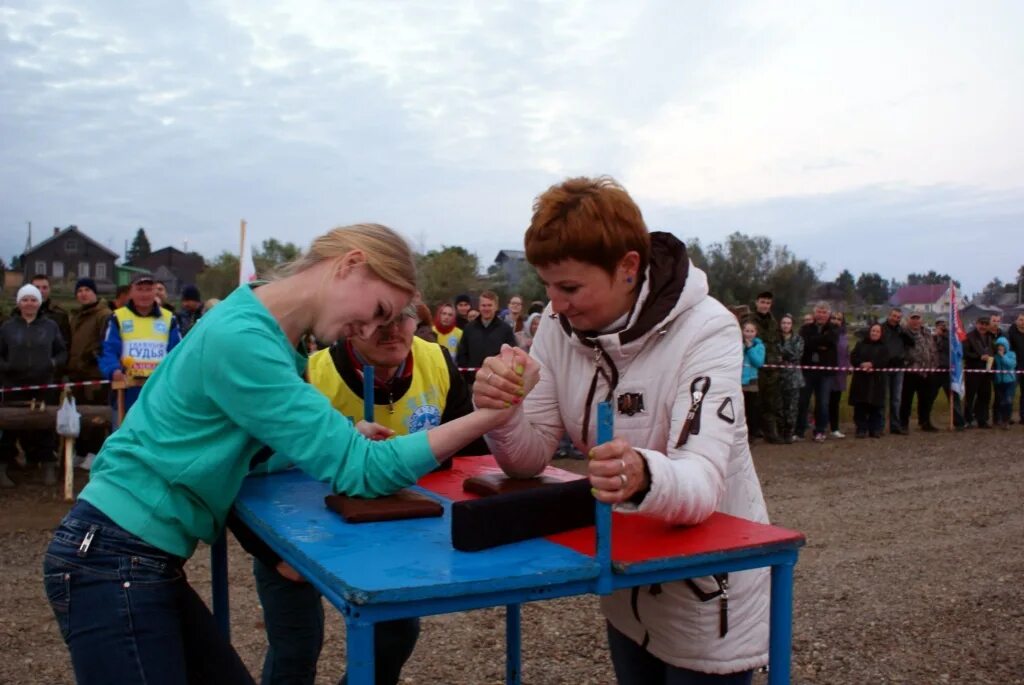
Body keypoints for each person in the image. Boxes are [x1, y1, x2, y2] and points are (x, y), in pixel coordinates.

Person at [42, 223, 535, 685]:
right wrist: (490, 416)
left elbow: (260, 446)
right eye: (379, 308)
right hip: (114, 558)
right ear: (350, 265)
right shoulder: (245, 340)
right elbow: (362, 472)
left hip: (134, 558)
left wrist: (344, 428)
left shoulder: (259, 326)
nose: (370, 327)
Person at [474, 176, 770, 683]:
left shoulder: (709, 329)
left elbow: (701, 480)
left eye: (569, 287)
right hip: (626, 583)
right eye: (547, 286)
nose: (556, 303)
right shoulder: (558, 328)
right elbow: (529, 459)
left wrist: (642, 474)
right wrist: (502, 414)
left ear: (628, 267)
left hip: (708, 588)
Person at [237, 301, 489, 685]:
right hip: (298, 531)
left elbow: (470, 461)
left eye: (403, 315)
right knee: (295, 648)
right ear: (347, 322)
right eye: (378, 317)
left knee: (394, 637)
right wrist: (271, 554)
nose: (392, 329)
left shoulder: (437, 359)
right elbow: (252, 467)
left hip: (395, 530)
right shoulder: (310, 372)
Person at [0, 284, 67, 487]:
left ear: (39, 303)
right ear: (19, 303)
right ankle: (3, 468)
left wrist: (52, 364)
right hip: (13, 385)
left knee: (45, 425)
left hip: (43, 384)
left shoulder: (50, 326)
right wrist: (6, 367)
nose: (29, 303)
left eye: (33, 299)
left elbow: (62, 352)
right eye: (25, 299)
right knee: (8, 426)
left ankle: (47, 465)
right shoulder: (7, 327)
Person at [98, 272, 182, 422]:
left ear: (155, 291)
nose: (144, 294)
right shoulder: (118, 317)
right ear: (131, 291)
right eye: (140, 289)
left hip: (158, 390)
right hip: (127, 390)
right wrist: (113, 370)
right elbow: (108, 349)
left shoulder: (169, 319)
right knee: (125, 436)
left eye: (148, 289)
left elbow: (178, 353)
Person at [796, 303, 838, 443]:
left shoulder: (834, 328)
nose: (821, 314)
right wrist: (821, 344)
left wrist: (816, 343)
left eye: (824, 312)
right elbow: (806, 343)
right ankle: (799, 431)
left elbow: (831, 341)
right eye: (819, 312)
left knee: (823, 402)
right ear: (815, 313)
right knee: (803, 401)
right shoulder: (806, 328)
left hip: (825, 372)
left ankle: (820, 431)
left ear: (829, 314)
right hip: (808, 370)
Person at [67, 277, 112, 405]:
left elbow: (107, 342)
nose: (83, 294)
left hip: (95, 375)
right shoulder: (76, 316)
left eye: (87, 290)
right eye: (80, 291)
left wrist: (93, 356)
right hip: (76, 374)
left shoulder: (104, 315)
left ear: (94, 293)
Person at [749, 292, 783, 443]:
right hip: (753, 367)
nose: (765, 305)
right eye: (762, 302)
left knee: (770, 402)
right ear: (756, 303)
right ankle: (752, 433)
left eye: (768, 303)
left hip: (772, 367)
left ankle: (771, 433)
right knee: (753, 402)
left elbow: (777, 342)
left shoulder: (774, 322)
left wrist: (778, 359)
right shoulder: (749, 321)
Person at [455, 290, 517, 370]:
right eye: (483, 305)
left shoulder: (506, 329)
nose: (486, 308)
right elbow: (462, 355)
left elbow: (511, 354)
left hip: (497, 377)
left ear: (496, 307)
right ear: (479, 307)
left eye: (489, 305)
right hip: (474, 378)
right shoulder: (469, 328)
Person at [899, 313, 939, 432]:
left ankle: (925, 422)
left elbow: (933, 349)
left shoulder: (927, 332)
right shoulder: (903, 333)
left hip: (927, 371)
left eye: (918, 318)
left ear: (922, 320)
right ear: (908, 320)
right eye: (913, 318)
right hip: (911, 371)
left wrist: (934, 365)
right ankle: (903, 423)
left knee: (926, 399)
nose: (916, 321)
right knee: (906, 399)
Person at [848, 323, 888, 438]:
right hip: (861, 379)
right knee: (860, 405)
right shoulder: (860, 344)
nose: (874, 333)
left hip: (877, 380)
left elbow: (885, 361)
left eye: (877, 331)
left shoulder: (884, 347)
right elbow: (853, 357)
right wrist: (861, 364)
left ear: (881, 334)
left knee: (875, 406)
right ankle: (861, 428)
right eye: (873, 331)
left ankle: (874, 429)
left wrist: (873, 365)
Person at [881, 308, 911, 434]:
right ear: (889, 316)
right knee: (883, 398)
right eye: (894, 316)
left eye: (898, 317)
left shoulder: (902, 330)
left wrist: (904, 332)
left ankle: (895, 425)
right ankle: (880, 426)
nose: (895, 319)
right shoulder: (881, 328)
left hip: (899, 367)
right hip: (884, 367)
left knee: (896, 399)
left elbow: (911, 343)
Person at [931, 319, 965, 430]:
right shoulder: (933, 338)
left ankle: (959, 422)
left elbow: (952, 349)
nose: (941, 327)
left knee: (953, 398)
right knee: (929, 396)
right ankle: (925, 420)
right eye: (939, 325)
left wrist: (945, 335)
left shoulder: (950, 338)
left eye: (943, 325)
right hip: (936, 370)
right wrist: (936, 336)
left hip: (948, 370)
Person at [963, 316, 994, 428]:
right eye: (981, 324)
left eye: (986, 324)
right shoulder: (969, 336)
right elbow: (965, 353)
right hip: (973, 371)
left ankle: (982, 420)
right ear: (977, 324)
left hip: (986, 371)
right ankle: (967, 419)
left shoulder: (990, 337)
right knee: (970, 396)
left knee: (985, 396)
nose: (983, 326)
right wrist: (979, 357)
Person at [778, 314, 804, 443]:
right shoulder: (775, 339)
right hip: (777, 378)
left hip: (794, 379)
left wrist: (782, 352)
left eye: (788, 323)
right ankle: (779, 432)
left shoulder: (798, 339)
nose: (786, 325)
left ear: (792, 325)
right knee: (779, 407)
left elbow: (796, 355)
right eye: (783, 323)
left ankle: (789, 433)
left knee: (792, 408)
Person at [28, 274, 72, 349]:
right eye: (37, 287)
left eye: (44, 288)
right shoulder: (18, 312)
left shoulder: (60, 314)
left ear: (49, 289)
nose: (40, 291)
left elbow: (65, 344)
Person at [741, 322, 765, 443]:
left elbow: (758, 362)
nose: (749, 334)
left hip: (751, 381)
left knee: (751, 409)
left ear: (755, 333)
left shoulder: (759, 346)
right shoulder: (737, 344)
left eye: (752, 331)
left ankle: (752, 433)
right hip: (738, 381)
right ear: (742, 331)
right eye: (747, 331)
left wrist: (750, 349)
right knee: (740, 408)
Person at [827, 311, 849, 439]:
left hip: (840, 373)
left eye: (839, 319)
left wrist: (848, 365)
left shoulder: (844, 335)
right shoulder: (826, 332)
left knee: (835, 401)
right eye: (833, 318)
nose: (836, 321)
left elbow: (846, 353)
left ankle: (834, 428)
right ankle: (821, 427)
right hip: (826, 372)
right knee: (823, 401)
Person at [992, 336, 1017, 429]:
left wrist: (1003, 356)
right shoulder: (995, 356)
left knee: (1008, 400)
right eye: (998, 345)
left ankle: (1007, 420)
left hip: (1010, 381)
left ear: (1006, 346)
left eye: (1002, 345)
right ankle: (1002, 419)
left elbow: (1011, 365)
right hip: (999, 381)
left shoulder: (1012, 354)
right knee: (1001, 402)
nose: (1000, 347)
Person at [1008, 313, 1024, 424]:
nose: (1022, 322)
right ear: (1016, 321)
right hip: (1014, 367)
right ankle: (1007, 417)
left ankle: (1023, 416)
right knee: (1010, 393)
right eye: (1021, 319)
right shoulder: (1011, 333)